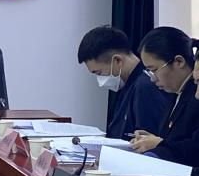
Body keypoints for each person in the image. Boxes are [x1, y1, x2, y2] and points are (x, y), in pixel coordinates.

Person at [77, 25, 172, 142]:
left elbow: (149, 142)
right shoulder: (127, 85)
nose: (99, 79)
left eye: (99, 73)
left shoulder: (145, 86)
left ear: (117, 60)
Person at [128, 27, 199, 157]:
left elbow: (194, 149)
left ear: (179, 62)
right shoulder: (176, 93)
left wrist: (159, 144)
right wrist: (151, 140)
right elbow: (174, 140)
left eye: (154, 70)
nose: (152, 78)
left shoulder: (195, 95)